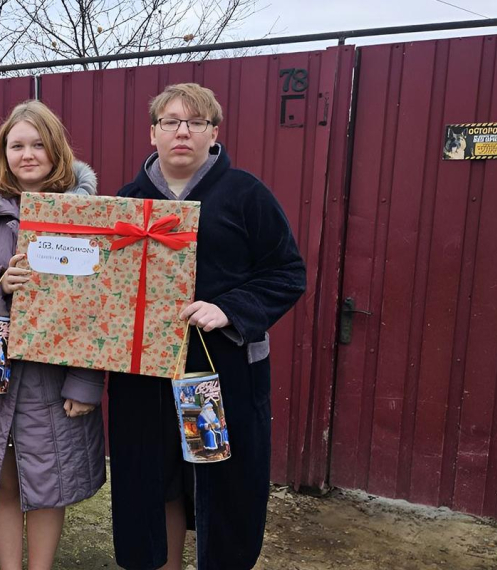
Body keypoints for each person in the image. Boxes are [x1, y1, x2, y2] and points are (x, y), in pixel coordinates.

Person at [108, 83, 306, 570]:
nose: (183, 132)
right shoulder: (127, 202)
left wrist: (231, 309)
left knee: (223, 487)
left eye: (196, 122)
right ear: (153, 132)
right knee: (154, 482)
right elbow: (102, 286)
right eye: (171, 122)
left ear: (213, 133)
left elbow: (287, 272)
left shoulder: (246, 194)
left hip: (223, 373)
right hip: (145, 379)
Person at [0, 100, 106, 570]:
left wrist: (86, 382)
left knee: (49, 481)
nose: (27, 154)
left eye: (37, 144)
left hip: (52, 376)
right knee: (3, 477)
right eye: (16, 146)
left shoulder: (86, 214)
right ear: (4, 152)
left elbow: (102, 307)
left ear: (56, 149)